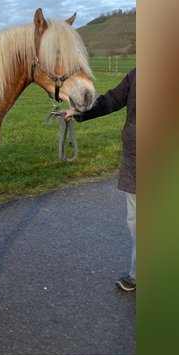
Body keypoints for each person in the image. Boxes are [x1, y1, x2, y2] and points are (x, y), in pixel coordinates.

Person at [64, 67, 136, 291]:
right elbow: (111, 100)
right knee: (136, 223)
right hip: (136, 160)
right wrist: (81, 112)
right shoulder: (136, 75)